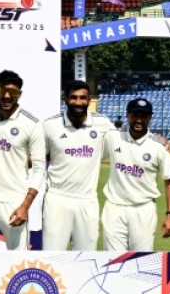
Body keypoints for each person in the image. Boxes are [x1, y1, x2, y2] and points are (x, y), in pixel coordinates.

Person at [0, 70, 46, 251]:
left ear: (19, 94)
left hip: (14, 199)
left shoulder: (32, 123)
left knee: (17, 257)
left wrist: (25, 206)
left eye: (13, 93)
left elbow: (39, 169)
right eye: (3, 91)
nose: (7, 96)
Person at [41, 80, 115, 250]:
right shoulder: (50, 125)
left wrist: (158, 140)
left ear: (89, 100)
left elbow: (125, 142)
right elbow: (38, 157)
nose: (78, 102)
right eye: (73, 97)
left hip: (87, 200)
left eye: (83, 98)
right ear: (65, 99)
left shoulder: (102, 123)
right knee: (52, 256)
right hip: (57, 198)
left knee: (86, 258)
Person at [101, 98, 170, 251]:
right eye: (135, 115)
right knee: (112, 260)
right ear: (128, 115)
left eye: (144, 116)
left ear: (150, 118)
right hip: (114, 208)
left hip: (143, 210)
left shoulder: (158, 146)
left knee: (139, 261)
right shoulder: (113, 137)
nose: (139, 120)